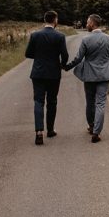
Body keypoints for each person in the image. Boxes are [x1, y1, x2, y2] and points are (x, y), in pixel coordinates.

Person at [63, 14, 109, 143]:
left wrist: (67, 66)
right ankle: (96, 132)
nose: (86, 24)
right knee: (101, 104)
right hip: (104, 75)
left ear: (92, 23)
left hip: (89, 75)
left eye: (87, 22)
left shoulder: (86, 40)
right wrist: (107, 70)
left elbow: (79, 58)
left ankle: (92, 126)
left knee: (90, 102)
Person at [25, 10, 68, 145]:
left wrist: (39, 58)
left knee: (38, 101)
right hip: (54, 73)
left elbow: (28, 54)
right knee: (52, 101)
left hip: (38, 72)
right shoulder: (60, 36)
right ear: (55, 20)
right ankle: (50, 130)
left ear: (45, 20)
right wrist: (62, 64)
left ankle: (39, 132)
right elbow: (65, 55)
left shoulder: (35, 35)